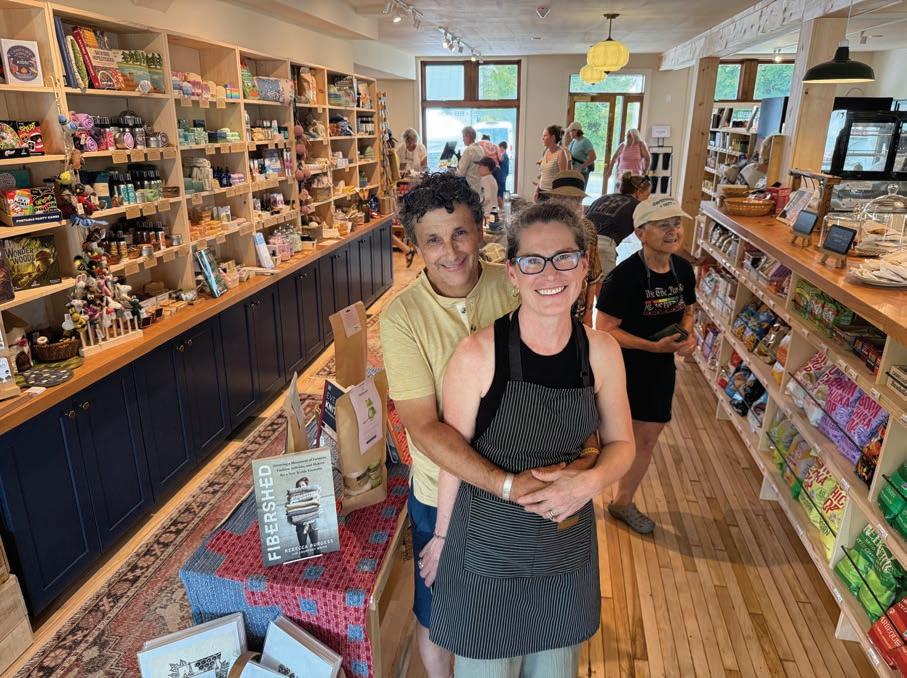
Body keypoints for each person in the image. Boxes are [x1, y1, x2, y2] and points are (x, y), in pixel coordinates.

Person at [380, 173, 600, 678]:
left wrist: (584, 462)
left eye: (460, 233)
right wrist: (503, 484)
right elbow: (424, 427)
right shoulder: (402, 318)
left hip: (534, 489)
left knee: (532, 611)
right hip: (443, 494)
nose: (450, 251)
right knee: (438, 614)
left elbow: (572, 370)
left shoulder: (521, 282)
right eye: (433, 240)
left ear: (482, 230)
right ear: (415, 246)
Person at [423, 201, 635, 677]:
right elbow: (454, 457)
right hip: (486, 554)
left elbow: (623, 444)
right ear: (513, 273)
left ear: (584, 264)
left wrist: (587, 484)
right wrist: (441, 538)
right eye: (533, 261)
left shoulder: (601, 352)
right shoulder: (477, 355)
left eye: (564, 258)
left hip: (564, 552)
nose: (550, 274)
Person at [594, 197, 697, 534]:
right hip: (621, 368)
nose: (673, 231)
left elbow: (689, 310)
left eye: (676, 223)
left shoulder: (683, 270)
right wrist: (652, 346)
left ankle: (622, 502)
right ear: (640, 232)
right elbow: (604, 329)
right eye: (662, 225)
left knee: (648, 438)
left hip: (660, 370)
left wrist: (688, 335)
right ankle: (581, 495)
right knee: (604, 436)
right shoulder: (623, 277)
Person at [538, 170, 602, 326]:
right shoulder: (539, 228)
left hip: (577, 306)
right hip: (545, 301)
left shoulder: (588, 229)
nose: (572, 204)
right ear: (553, 200)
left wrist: (589, 312)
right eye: (563, 199)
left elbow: (593, 274)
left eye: (575, 199)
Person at [586, 172, 652, 278]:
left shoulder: (603, 198)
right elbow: (646, 235)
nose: (647, 199)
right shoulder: (637, 205)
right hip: (603, 246)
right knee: (607, 285)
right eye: (647, 195)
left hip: (581, 241)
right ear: (638, 192)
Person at [535, 125, 569, 198]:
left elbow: (563, 178)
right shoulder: (546, 151)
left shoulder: (561, 153)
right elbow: (543, 174)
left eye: (545, 136)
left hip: (553, 194)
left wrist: (559, 197)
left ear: (553, 137)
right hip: (541, 192)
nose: (542, 138)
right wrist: (537, 190)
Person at [566, 121, 596, 187]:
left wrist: (580, 167)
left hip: (582, 173)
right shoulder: (573, 142)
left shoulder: (585, 142)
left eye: (570, 131)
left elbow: (593, 157)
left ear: (576, 131)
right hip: (573, 172)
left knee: (579, 192)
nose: (569, 133)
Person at [457, 126, 485, 194]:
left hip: (469, 187)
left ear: (468, 136)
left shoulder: (469, 150)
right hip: (478, 185)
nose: (463, 139)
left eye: (463, 136)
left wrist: (452, 171)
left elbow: (460, 173)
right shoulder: (480, 148)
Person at [497, 141, 510, 208]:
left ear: (502, 147)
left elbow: (499, 164)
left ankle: (503, 207)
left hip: (501, 176)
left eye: (499, 147)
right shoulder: (505, 155)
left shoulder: (503, 156)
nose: (498, 149)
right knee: (502, 191)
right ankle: (504, 207)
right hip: (503, 175)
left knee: (501, 192)